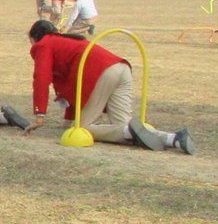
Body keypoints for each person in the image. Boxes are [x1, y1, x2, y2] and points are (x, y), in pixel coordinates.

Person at [21, 19, 194, 154]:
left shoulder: (44, 45)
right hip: (121, 68)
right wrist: (68, 119)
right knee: (124, 128)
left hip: (100, 73)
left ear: (33, 38)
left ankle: (135, 133)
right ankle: (173, 139)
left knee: (84, 128)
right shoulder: (66, 41)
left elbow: (41, 78)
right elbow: (71, 85)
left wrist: (39, 114)